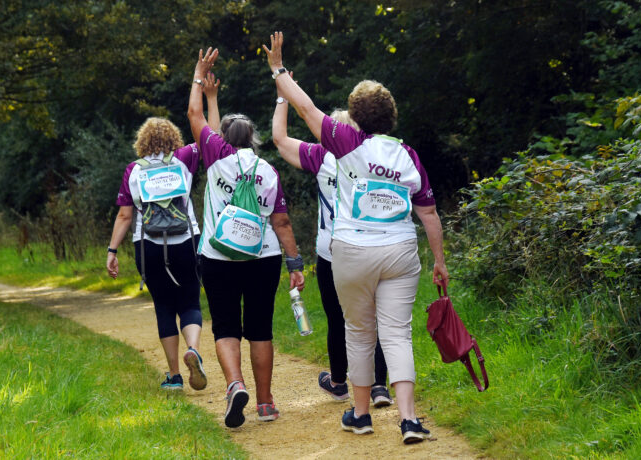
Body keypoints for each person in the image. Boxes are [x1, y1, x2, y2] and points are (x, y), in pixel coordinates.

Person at [264, 32, 449, 444]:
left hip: (351, 251)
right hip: (400, 250)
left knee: (359, 332)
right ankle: (409, 420)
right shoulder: (408, 155)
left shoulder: (346, 142)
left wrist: (279, 71)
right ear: (391, 116)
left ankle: (361, 415)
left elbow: (305, 106)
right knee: (397, 334)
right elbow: (429, 213)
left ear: (356, 116)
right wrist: (439, 260)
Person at [188, 47, 305, 428]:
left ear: (221, 139)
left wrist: (200, 81)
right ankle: (266, 402)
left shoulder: (215, 157)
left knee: (225, 325)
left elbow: (195, 118)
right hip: (264, 258)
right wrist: (294, 263)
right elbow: (282, 222)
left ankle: (235, 384)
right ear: (253, 139)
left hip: (219, 258)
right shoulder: (267, 170)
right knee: (260, 327)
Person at [272, 98, 393, 407]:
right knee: (374, 318)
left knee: (338, 319)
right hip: (371, 246)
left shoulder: (320, 156)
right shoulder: (374, 158)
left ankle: (339, 382)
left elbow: (280, 140)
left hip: (331, 252)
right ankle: (379, 386)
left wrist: (282, 97)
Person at [106, 73, 220, 391]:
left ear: (142, 142)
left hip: (149, 244)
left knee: (164, 306)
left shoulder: (134, 169)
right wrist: (211, 98)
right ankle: (193, 349)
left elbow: (125, 214)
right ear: (173, 139)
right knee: (190, 301)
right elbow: (212, 135)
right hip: (186, 240)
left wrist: (112, 251)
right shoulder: (184, 158)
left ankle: (174, 376)